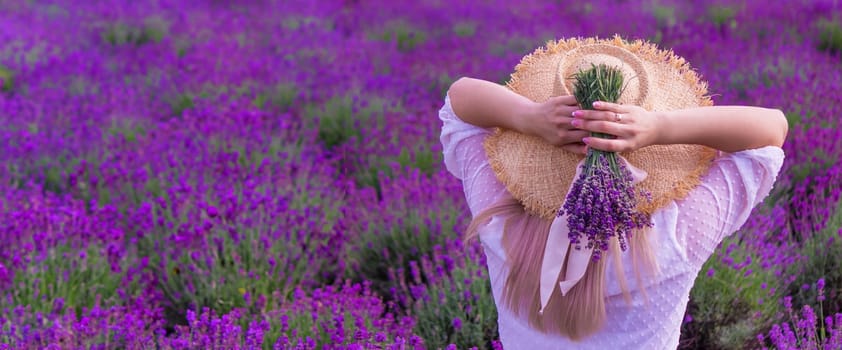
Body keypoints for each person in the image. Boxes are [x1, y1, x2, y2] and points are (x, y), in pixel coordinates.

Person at [438, 37, 788, 349]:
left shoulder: (499, 222)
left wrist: (529, 116)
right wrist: (660, 127)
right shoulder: (675, 235)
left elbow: (460, 100)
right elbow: (770, 131)